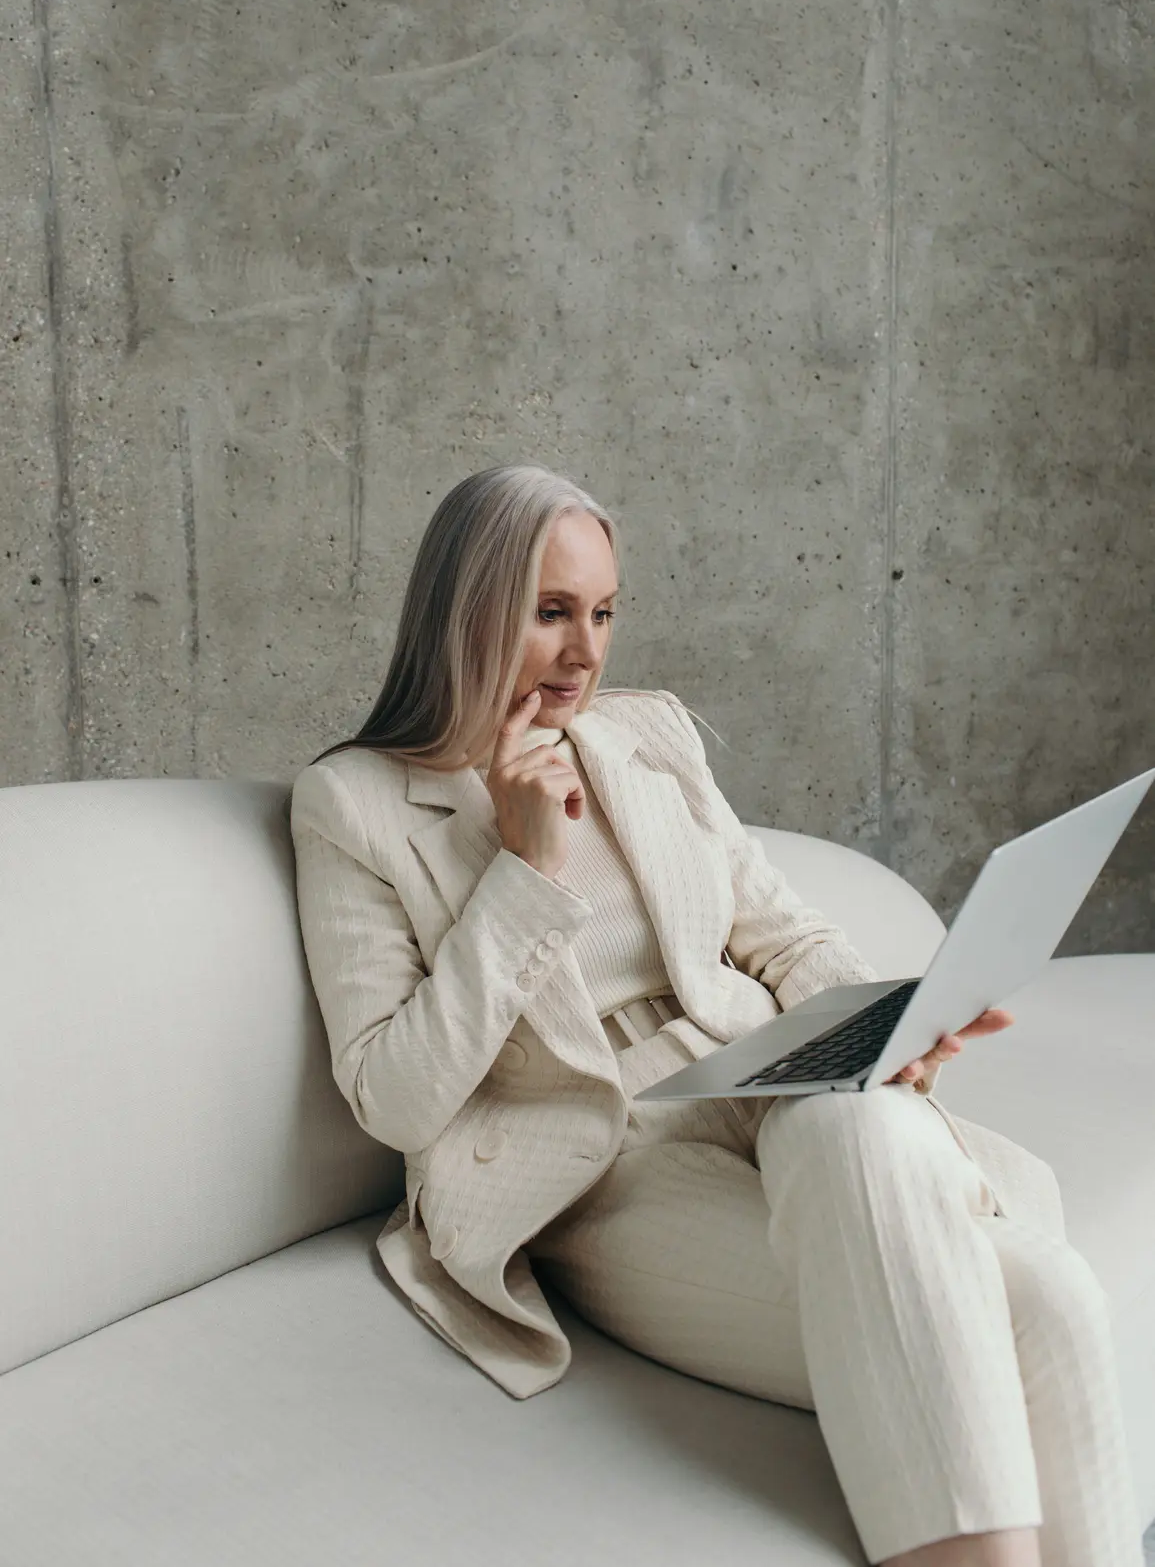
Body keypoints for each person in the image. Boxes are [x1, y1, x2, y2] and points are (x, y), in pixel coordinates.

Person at [290, 463, 1141, 1567]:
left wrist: (895, 1020)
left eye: (602, 612)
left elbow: (783, 934)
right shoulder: (354, 803)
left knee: (853, 1114)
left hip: (762, 1076)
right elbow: (394, 1100)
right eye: (551, 613)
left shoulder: (647, 736)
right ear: (468, 609)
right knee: (1051, 1300)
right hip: (611, 1162)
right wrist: (523, 868)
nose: (587, 652)